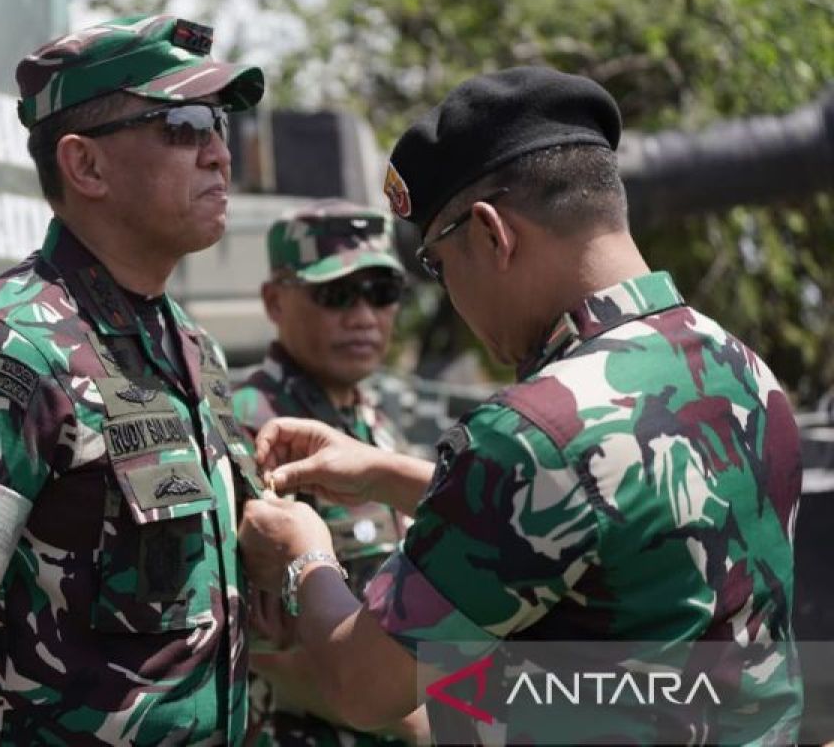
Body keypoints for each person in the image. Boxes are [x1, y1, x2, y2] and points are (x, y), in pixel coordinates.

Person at [238, 66, 803, 743]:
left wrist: (306, 555)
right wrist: (387, 473)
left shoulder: (537, 430)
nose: (449, 295)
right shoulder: (737, 366)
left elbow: (366, 686)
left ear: (489, 234)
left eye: (438, 266)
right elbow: (618, 522)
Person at [0, 14, 267, 746]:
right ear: (86, 167)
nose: (217, 152)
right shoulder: (2, 354)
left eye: (219, 123)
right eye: (181, 123)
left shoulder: (192, 347)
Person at [230, 200, 428, 745]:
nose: (363, 316)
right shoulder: (252, 433)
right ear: (274, 301)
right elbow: (270, 649)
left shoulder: (373, 421)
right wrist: (429, 726)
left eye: (382, 293)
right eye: (335, 294)